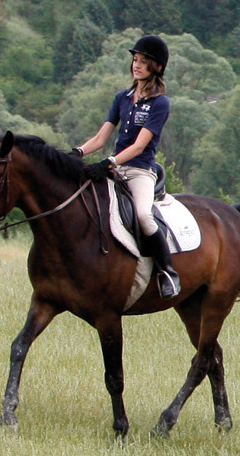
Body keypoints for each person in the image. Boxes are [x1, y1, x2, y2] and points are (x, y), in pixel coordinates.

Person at [76, 34, 180, 299]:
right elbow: (101, 138)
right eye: (135, 60)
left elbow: (139, 146)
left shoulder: (160, 103)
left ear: (156, 67)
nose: (137, 65)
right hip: (114, 169)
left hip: (139, 171)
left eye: (143, 61)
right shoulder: (122, 98)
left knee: (144, 216)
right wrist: (78, 152)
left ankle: (168, 272)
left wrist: (110, 161)